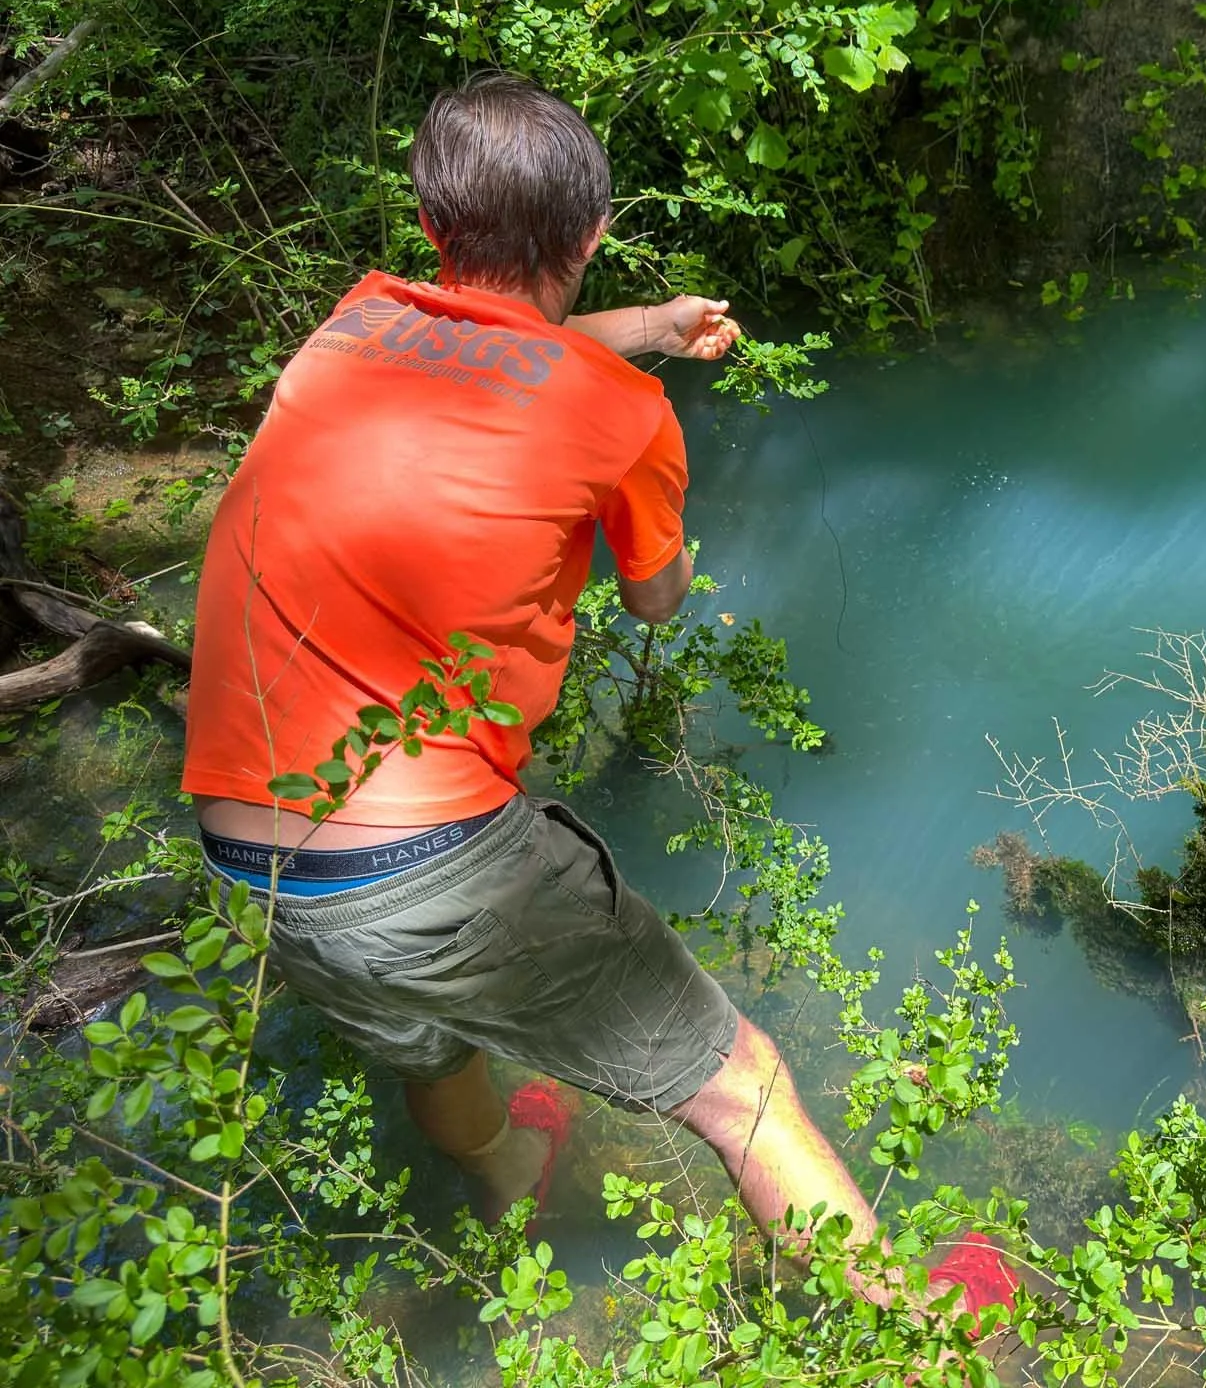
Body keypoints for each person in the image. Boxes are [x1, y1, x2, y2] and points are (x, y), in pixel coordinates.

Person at [179, 72, 1014, 1326]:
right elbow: (657, 600)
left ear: (427, 233)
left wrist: (655, 326)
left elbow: (500, 349)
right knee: (740, 1088)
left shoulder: (350, 330)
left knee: (432, 1037)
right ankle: (900, 1335)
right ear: (592, 235)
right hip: (434, 866)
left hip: (258, 855)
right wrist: (649, 438)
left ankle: (509, 1175)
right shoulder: (620, 421)